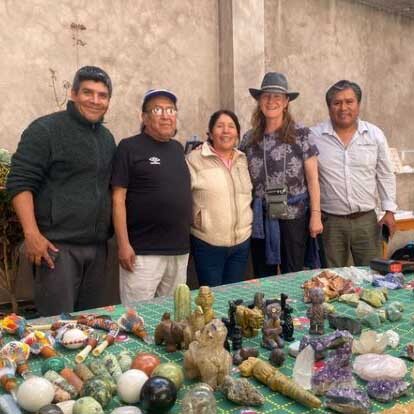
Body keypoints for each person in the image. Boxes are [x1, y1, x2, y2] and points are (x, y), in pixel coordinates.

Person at [6, 66, 116, 316]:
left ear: (108, 102)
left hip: (97, 250)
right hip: (56, 250)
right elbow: (20, 182)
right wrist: (31, 234)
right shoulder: (45, 130)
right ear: (74, 94)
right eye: (88, 92)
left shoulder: (107, 138)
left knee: (90, 325)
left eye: (102, 95)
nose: (95, 100)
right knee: (58, 326)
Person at [111, 89, 192, 305]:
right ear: (144, 117)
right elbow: (118, 199)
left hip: (178, 251)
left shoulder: (177, 149)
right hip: (142, 253)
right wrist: (123, 244)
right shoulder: (129, 147)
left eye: (170, 109)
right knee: (138, 318)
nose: (166, 115)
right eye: (157, 109)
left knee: (175, 316)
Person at [240, 72, 323, 276]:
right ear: (259, 101)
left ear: (286, 102)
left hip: (295, 216)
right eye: (266, 96)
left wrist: (316, 216)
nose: (271, 101)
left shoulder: (302, 134)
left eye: (277, 96)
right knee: (263, 273)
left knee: (293, 273)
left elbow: (313, 180)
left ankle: (290, 308)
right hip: (261, 216)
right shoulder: (249, 139)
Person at [311, 80, 397, 267]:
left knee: (372, 274)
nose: (343, 108)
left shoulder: (374, 135)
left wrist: (389, 210)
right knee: (332, 277)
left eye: (349, 102)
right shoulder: (314, 137)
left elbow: (385, 174)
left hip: (366, 221)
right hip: (331, 223)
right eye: (337, 103)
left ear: (358, 105)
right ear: (329, 107)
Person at [186, 110, 253, 287]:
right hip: (208, 243)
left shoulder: (243, 160)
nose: (226, 131)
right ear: (210, 132)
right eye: (220, 126)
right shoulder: (194, 159)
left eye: (231, 126)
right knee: (211, 300)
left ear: (237, 133)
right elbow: (183, 198)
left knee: (234, 299)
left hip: (241, 243)